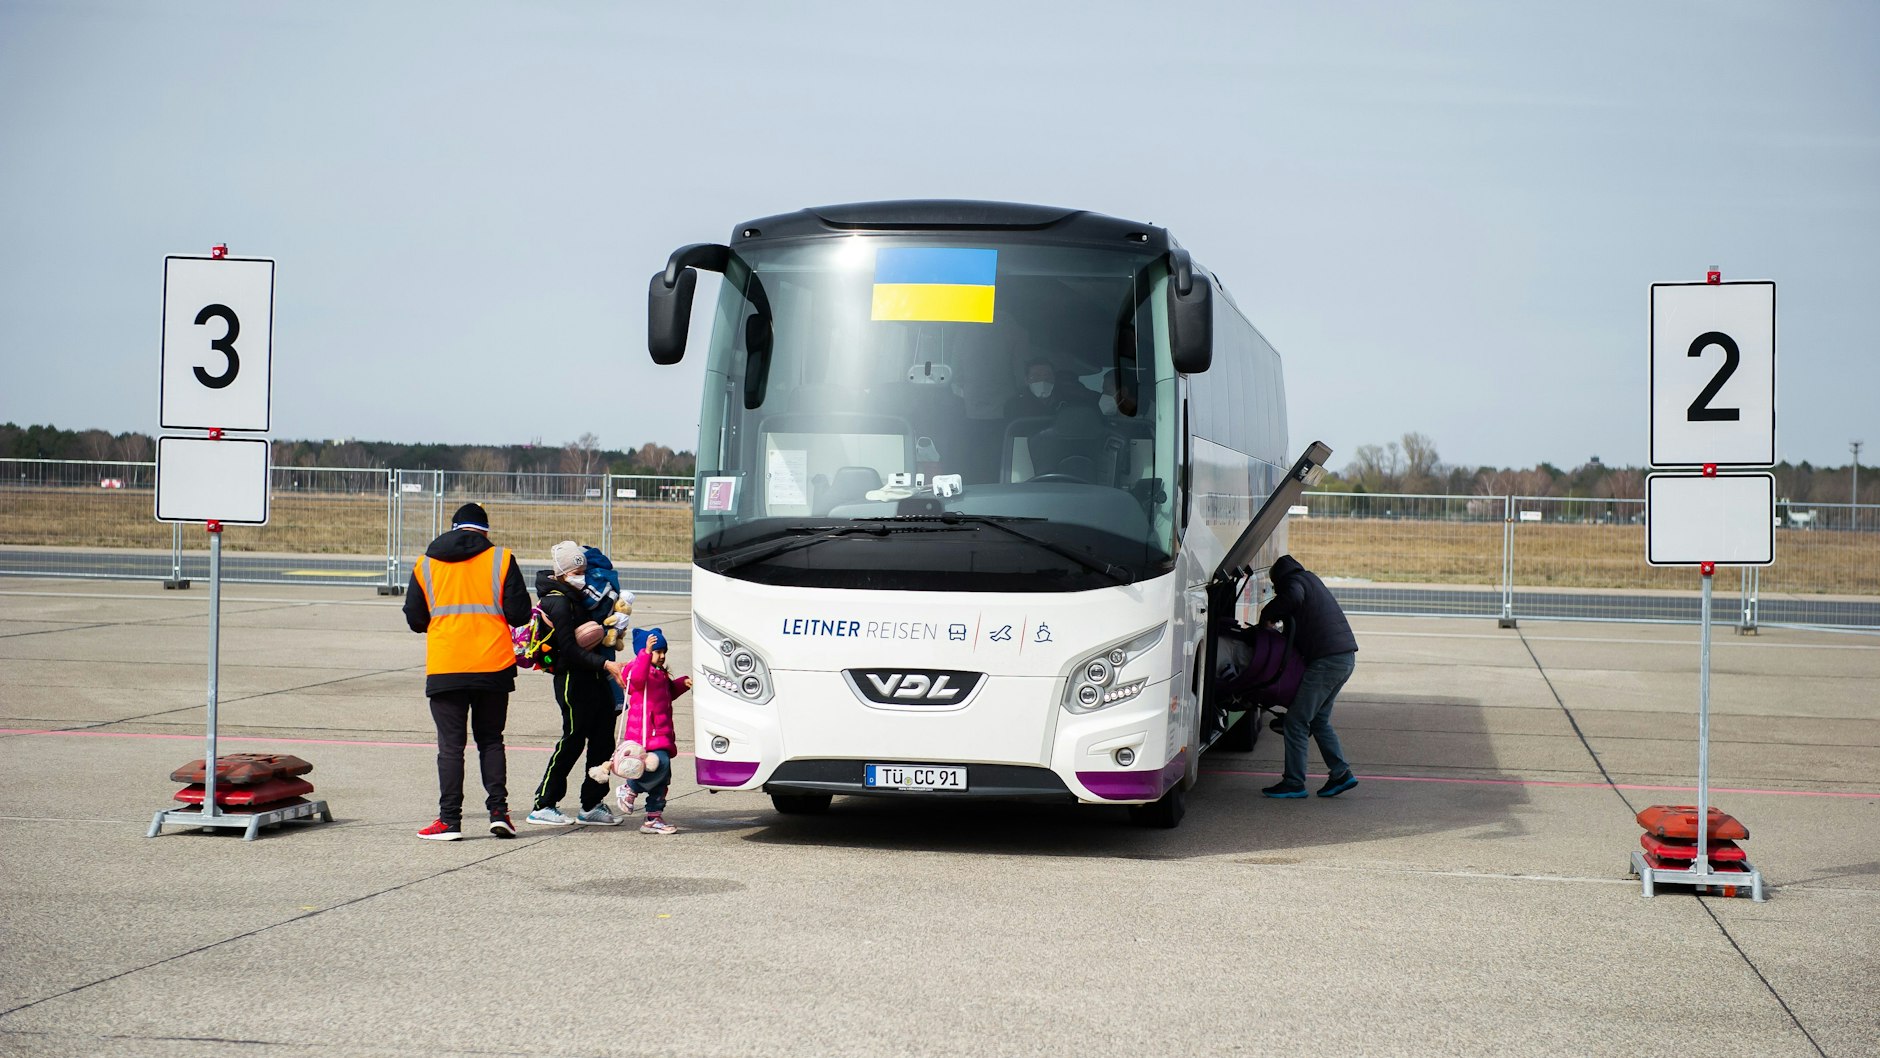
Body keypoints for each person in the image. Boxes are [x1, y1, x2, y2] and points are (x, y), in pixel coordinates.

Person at [403, 502, 533, 841]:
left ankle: (449, 821)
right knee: (491, 741)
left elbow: (415, 618)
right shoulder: (501, 559)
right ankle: (499, 812)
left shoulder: (426, 564)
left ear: (454, 527)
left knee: (450, 747)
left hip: (446, 667)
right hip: (493, 666)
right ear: (485, 531)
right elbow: (520, 614)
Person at [525, 541, 629, 827]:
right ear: (564, 573)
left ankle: (592, 803)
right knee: (573, 739)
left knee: (603, 737)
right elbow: (569, 649)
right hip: (572, 677)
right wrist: (606, 664)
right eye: (578, 571)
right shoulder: (558, 600)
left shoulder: (578, 596)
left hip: (594, 674)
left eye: (585, 570)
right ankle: (544, 803)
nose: (584, 576)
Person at [1258, 554, 1360, 799]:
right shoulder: (1310, 579)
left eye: (1275, 587)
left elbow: (1292, 598)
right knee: (1319, 720)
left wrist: (1267, 615)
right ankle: (1341, 774)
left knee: (1296, 720)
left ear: (1279, 580)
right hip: (1344, 658)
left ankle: (1293, 782)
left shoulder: (1294, 583)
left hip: (1326, 662)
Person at [619, 626, 691, 834]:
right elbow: (637, 681)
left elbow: (667, 695)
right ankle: (630, 788)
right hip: (644, 734)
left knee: (663, 776)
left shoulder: (660, 674)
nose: (661, 656)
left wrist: (681, 684)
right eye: (657, 652)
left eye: (663, 652)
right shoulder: (635, 669)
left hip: (660, 733)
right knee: (660, 764)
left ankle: (653, 817)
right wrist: (645, 654)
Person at [1003, 358, 1095, 422]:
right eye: (1036, 376)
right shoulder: (1014, 405)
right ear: (1026, 380)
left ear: (1054, 378)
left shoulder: (1069, 402)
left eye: (1048, 376)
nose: (1043, 380)